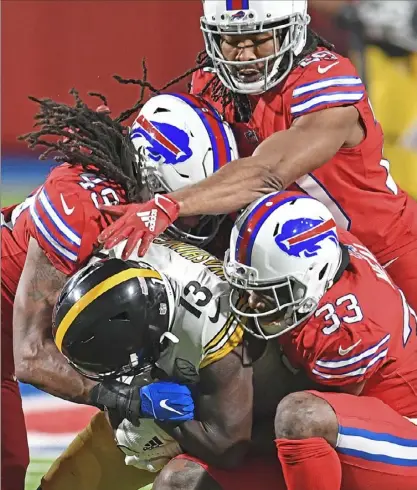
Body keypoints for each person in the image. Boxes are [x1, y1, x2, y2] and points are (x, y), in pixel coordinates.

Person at [98, 0, 417, 312]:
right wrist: (129, 151)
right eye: (232, 40)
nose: (245, 55)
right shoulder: (212, 85)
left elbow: (267, 172)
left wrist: (171, 205)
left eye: (261, 38)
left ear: (292, 32)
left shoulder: (322, 79)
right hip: (290, 265)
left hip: (389, 253)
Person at [1, 87, 236, 490]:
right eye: (183, 200)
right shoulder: (81, 206)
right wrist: (127, 396)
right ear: (149, 181)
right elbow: (31, 356)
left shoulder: (160, 199)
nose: (198, 219)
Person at [42, 236, 310, 490]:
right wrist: (128, 398)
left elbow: (228, 447)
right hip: (188, 367)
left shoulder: (215, 328)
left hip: (258, 423)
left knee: (174, 476)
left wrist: (162, 413)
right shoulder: (120, 255)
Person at [222, 190, 417, 490]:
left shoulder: (347, 333)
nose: (252, 300)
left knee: (297, 415)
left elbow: (303, 424)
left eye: (268, 290)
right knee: (181, 478)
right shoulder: (323, 243)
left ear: (314, 276)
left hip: (405, 433)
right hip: (357, 430)